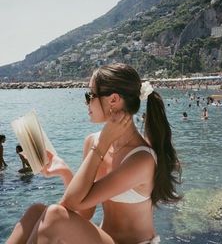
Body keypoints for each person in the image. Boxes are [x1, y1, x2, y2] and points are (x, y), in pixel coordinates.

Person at [7, 63, 182, 244]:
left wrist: (102, 145)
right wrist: (65, 171)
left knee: (54, 215)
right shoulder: (92, 141)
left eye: (90, 95)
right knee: (36, 212)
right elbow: (85, 212)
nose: (86, 102)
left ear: (113, 99)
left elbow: (70, 205)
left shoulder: (141, 159)